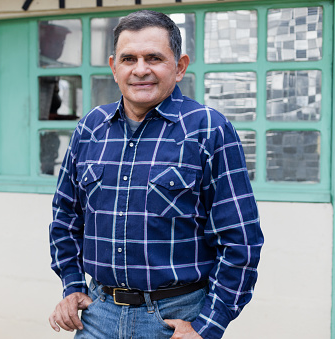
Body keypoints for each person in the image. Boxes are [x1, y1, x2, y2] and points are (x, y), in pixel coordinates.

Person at [48, 10, 263, 339]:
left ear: (179, 67)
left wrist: (208, 326)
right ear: (114, 67)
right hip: (97, 315)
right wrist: (72, 286)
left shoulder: (209, 129)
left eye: (154, 58)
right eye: (129, 58)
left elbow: (240, 241)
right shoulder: (90, 129)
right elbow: (66, 218)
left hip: (175, 320)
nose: (140, 69)